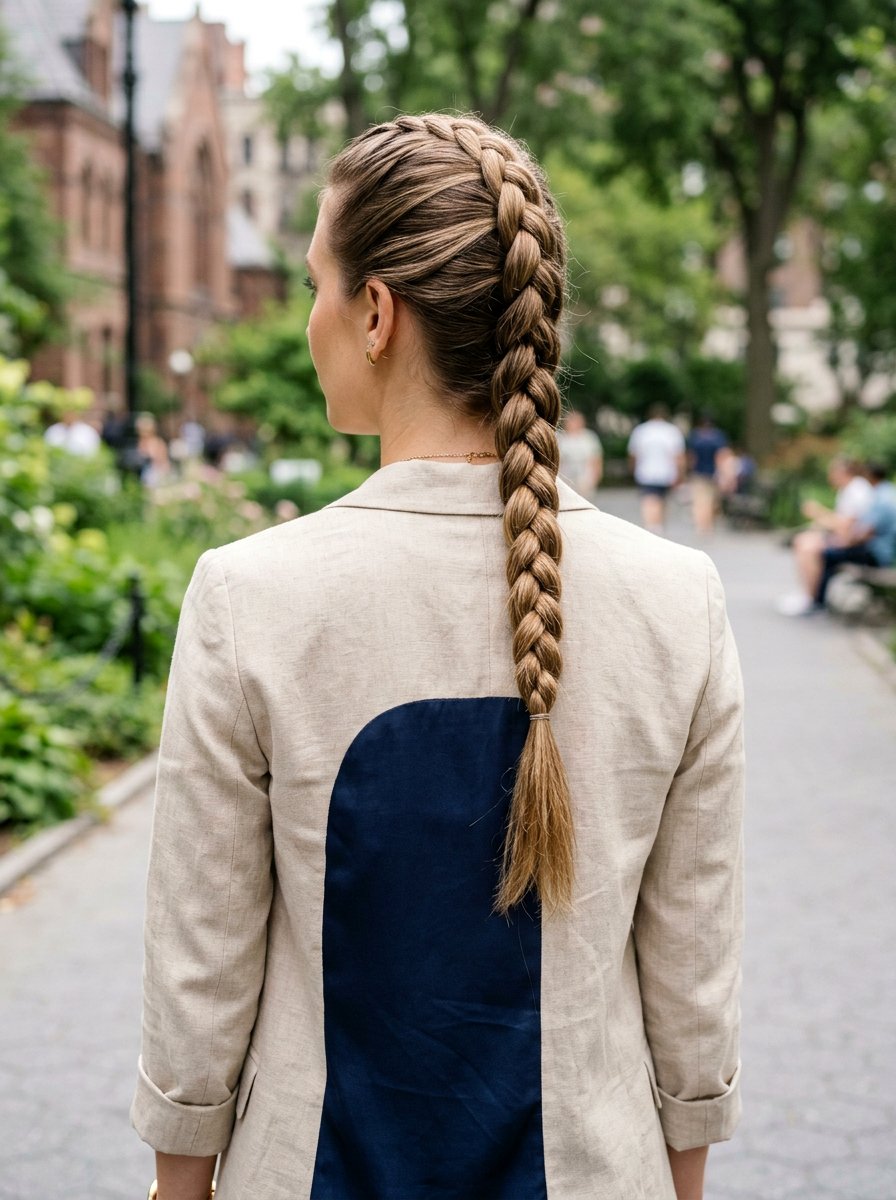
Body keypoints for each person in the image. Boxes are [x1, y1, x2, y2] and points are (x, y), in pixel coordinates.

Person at [131, 114, 744, 1200]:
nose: (308, 317)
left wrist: (179, 1184)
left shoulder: (250, 596)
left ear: (376, 313)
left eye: (315, 284)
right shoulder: (677, 600)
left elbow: (201, 969)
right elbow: (690, 975)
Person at [777, 456, 874, 616]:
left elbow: (845, 527)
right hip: (850, 541)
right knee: (803, 541)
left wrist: (818, 512)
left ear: (842, 472)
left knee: (809, 549)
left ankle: (813, 600)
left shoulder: (857, 490)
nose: (830, 477)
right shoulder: (848, 489)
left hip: (860, 546)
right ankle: (810, 597)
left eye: (832, 472)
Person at [811, 463, 896, 610]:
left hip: (877, 554)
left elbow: (865, 533)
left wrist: (842, 543)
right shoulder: (888, 492)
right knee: (831, 551)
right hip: (882, 551)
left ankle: (818, 603)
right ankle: (818, 601)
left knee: (828, 554)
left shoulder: (882, 499)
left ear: (871, 477)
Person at [627, 402, 687, 535]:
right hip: (667, 473)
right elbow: (679, 456)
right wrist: (680, 475)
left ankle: (651, 526)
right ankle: (658, 525)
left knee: (648, 500)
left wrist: (632, 469)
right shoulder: (672, 431)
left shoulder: (641, 430)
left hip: (646, 472)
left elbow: (634, 454)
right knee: (662, 500)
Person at [686, 412, 727, 534]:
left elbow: (691, 456)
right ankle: (708, 525)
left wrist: (688, 470)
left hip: (698, 472)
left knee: (699, 499)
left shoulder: (695, 437)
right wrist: (722, 473)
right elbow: (720, 456)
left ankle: (700, 524)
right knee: (711, 500)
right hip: (713, 472)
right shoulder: (718, 437)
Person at [556, 408, 603, 497]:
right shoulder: (560, 438)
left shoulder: (589, 437)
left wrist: (596, 478)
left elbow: (596, 459)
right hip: (565, 480)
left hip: (585, 480)